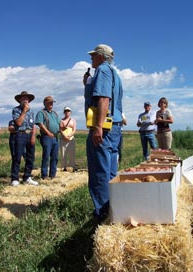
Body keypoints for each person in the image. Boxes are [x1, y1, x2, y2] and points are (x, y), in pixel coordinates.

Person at [83, 44, 123, 222]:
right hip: (114, 128)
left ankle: (102, 213)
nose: (91, 59)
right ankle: (115, 209)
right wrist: (87, 84)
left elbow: (104, 98)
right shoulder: (115, 73)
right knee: (111, 172)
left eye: (93, 56)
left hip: (104, 128)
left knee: (100, 171)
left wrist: (98, 126)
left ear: (100, 56)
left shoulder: (103, 70)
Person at [10, 91, 38, 186]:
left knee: (30, 157)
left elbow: (33, 125)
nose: (25, 100)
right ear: (19, 100)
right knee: (17, 157)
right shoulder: (16, 110)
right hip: (19, 134)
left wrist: (33, 136)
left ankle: (27, 177)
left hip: (29, 134)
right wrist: (24, 111)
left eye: (27, 98)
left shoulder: (32, 111)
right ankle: (15, 178)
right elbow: (18, 123)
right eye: (23, 98)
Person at [35, 96, 60, 180]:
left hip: (56, 137)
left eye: (52, 102)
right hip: (46, 137)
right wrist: (48, 132)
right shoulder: (41, 113)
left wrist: (61, 129)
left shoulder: (55, 113)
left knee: (55, 157)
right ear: (45, 103)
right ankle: (44, 175)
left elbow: (59, 123)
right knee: (46, 156)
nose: (51, 104)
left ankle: (53, 174)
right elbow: (40, 124)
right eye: (50, 102)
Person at [60, 106, 77, 172]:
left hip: (71, 139)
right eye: (66, 111)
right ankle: (64, 167)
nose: (67, 112)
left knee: (72, 153)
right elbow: (61, 130)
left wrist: (69, 136)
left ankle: (73, 167)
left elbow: (74, 130)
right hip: (63, 139)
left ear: (70, 112)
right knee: (63, 153)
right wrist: (64, 136)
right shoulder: (62, 120)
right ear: (64, 112)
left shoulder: (73, 120)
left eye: (68, 111)